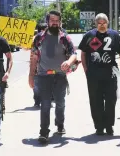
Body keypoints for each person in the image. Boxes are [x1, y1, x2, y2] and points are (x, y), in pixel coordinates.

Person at [29, 10, 77, 143]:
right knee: (45, 104)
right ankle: (44, 132)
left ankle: (60, 124)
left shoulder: (65, 38)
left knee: (60, 103)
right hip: (43, 76)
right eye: (52, 20)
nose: (55, 23)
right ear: (48, 21)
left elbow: (74, 53)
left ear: (60, 22)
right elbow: (34, 57)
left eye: (57, 21)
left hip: (60, 76)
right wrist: (31, 76)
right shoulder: (39, 38)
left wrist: (68, 61)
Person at [78, 13, 120, 136]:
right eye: (99, 23)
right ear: (96, 24)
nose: (102, 25)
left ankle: (109, 126)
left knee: (110, 100)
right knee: (95, 100)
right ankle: (99, 126)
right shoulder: (89, 35)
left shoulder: (114, 35)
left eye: (104, 23)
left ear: (108, 23)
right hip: (93, 74)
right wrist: (86, 69)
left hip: (110, 73)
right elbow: (83, 53)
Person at [33, 23, 48, 107]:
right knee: (36, 86)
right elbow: (27, 48)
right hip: (36, 66)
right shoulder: (35, 39)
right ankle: (37, 100)